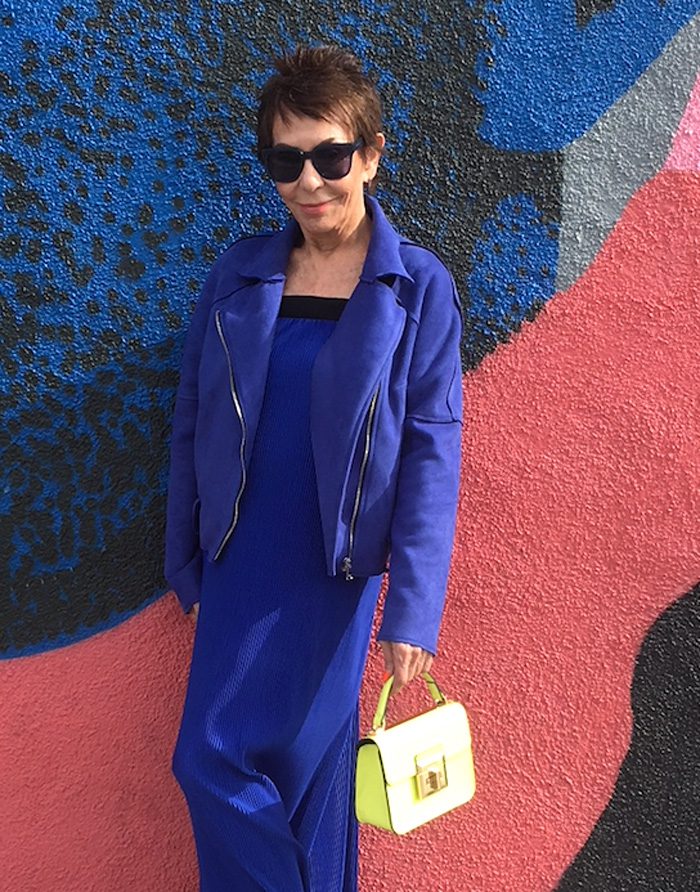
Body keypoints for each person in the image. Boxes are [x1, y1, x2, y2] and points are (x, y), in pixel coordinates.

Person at [165, 44, 463, 892]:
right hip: (237, 558)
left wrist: (414, 610)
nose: (310, 181)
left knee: (306, 778)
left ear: (370, 155)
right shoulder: (240, 274)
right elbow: (192, 421)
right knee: (213, 763)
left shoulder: (416, 289)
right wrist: (184, 564)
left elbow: (433, 449)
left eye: (331, 156)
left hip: (333, 570)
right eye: (286, 160)